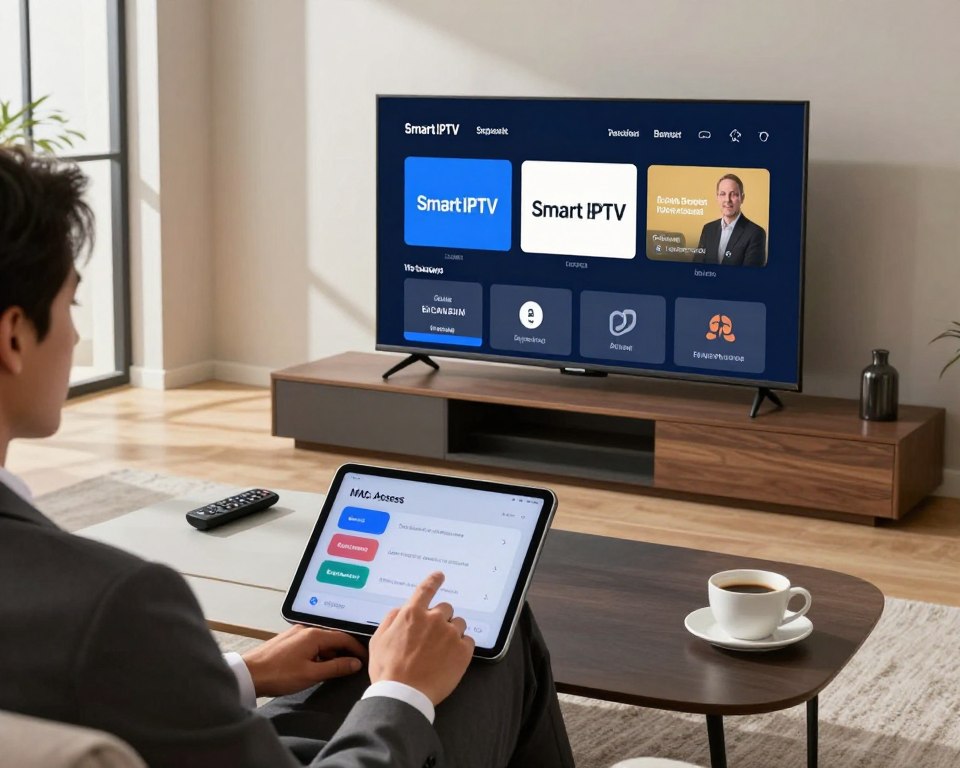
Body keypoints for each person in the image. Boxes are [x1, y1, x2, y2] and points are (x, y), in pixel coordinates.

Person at [0, 147, 575, 768]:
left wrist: (241, 674)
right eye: (71, 305)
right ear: (12, 337)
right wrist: (401, 691)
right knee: (488, 631)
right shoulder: (114, 607)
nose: (77, 335)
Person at [694, 173, 766, 267]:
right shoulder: (708, 229)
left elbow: (750, 276)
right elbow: (696, 266)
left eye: (733, 194)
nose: (727, 200)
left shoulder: (756, 233)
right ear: (717, 197)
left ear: (742, 198)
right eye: (722, 194)